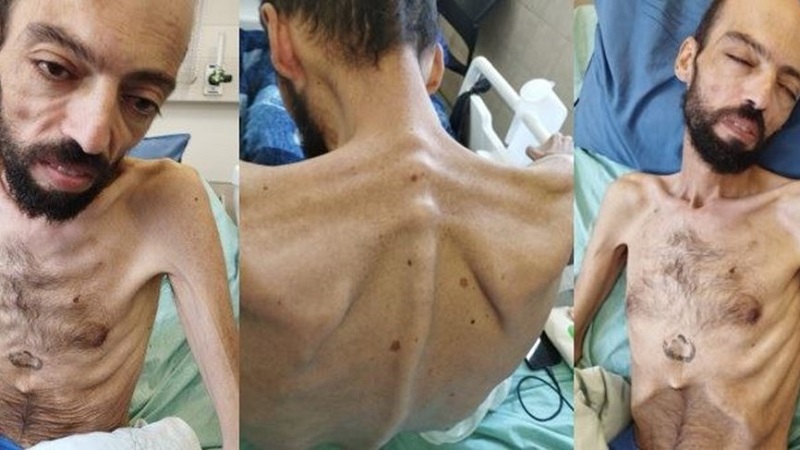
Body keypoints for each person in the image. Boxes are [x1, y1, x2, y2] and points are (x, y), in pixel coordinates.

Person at [239, 0, 573, 448]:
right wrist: (558, 161)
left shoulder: (240, 221)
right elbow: (564, 163)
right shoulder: (557, 203)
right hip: (447, 418)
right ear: (435, 68)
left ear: (280, 41)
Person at [0, 1, 238, 449]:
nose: (93, 137)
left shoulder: (169, 204)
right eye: (55, 69)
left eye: (141, 101)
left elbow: (237, 413)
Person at [574, 0, 800, 448]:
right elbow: (572, 330)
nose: (760, 96)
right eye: (740, 59)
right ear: (686, 60)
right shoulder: (630, 201)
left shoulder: (792, 215)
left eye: (788, 89)